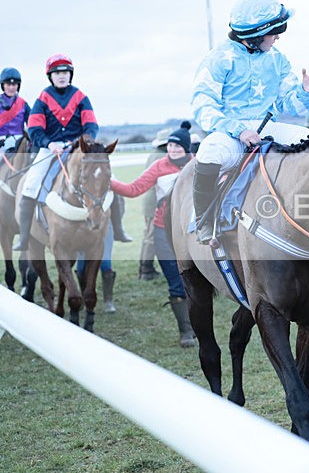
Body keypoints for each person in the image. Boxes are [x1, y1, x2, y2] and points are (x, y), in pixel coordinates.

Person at [191, 0, 309, 245]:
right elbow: (203, 106)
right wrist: (238, 130)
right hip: (230, 133)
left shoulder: (277, 58)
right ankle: (204, 221)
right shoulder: (218, 59)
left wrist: (304, 91)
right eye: (276, 31)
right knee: (208, 154)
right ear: (255, 35)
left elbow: (291, 105)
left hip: (270, 128)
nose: (279, 36)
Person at [110, 123, 198, 347]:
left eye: (178, 146)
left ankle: (198, 324)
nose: (173, 149)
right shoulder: (159, 166)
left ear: (186, 149)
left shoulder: (197, 165)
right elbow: (134, 189)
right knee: (175, 281)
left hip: (193, 231)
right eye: (170, 145)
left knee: (196, 282)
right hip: (163, 231)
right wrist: (107, 181)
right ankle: (186, 331)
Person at [14, 54, 99, 252]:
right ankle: (25, 237)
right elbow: (34, 129)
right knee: (30, 185)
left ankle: (117, 228)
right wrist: (49, 143)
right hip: (50, 149)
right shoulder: (42, 98)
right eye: (57, 73)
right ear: (50, 76)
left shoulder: (80, 97)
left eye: (65, 72)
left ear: (70, 75)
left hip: (77, 149)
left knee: (104, 180)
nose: (62, 76)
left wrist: (84, 142)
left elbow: (91, 125)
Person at [138, 128, 170, 281]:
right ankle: (146, 269)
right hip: (154, 201)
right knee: (151, 236)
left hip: (149, 199)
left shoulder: (154, 154)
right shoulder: (162, 157)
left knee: (148, 235)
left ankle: (145, 267)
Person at [0, 67, 29, 153]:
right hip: (2, 141)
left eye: (14, 84)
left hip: (19, 141)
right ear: (3, 85)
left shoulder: (24, 104)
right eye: (8, 84)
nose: (11, 87)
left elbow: (32, 123)